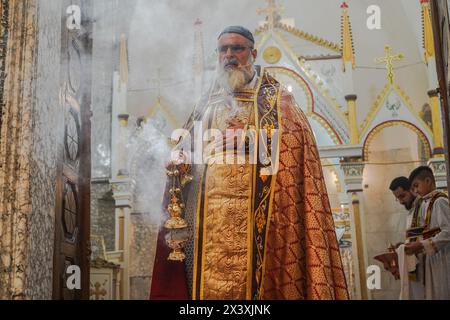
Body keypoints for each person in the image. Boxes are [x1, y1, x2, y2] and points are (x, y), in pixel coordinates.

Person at [150, 26, 349, 300]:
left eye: (237, 48)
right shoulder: (205, 104)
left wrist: (250, 142)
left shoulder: (278, 101)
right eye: (223, 49)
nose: (229, 55)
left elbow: (298, 150)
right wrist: (181, 157)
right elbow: (187, 148)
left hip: (263, 228)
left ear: (253, 54)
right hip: (207, 234)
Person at [402, 166, 450, 300]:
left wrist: (421, 245)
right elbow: (424, 233)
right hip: (431, 258)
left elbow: (448, 232)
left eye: (416, 185)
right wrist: (409, 244)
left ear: (428, 181)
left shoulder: (440, 201)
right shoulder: (425, 203)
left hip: (443, 257)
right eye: (413, 188)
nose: (416, 191)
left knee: (442, 291)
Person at [388, 177, 424, 299]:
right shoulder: (411, 210)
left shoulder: (424, 206)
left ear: (412, 189)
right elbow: (417, 237)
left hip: (426, 264)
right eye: (397, 198)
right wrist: (403, 245)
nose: (401, 201)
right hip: (416, 265)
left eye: (402, 196)